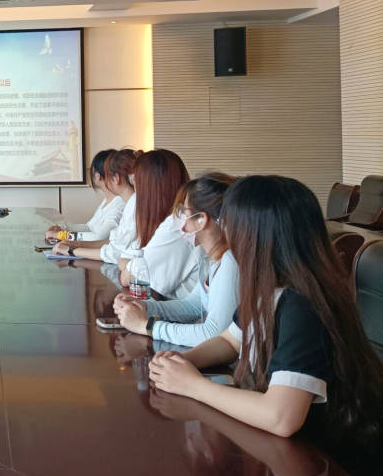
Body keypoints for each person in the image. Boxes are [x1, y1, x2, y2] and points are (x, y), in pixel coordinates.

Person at [149, 175, 383, 442]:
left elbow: (281, 417)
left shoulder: (302, 305)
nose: (226, 236)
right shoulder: (268, 287)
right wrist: (183, 362)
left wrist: (193, 385)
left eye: (230, 225)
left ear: (256, 237)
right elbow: (230, 340)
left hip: (329, 455)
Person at [114, 173, 240, 346]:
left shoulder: (231, 262)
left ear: (201, 219)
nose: (180, 220)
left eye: (184, 212)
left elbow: (214, 334)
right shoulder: (212, 258)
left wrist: (146, 326)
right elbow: (194, 305)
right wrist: (144, 306)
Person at [116, 149, 201, 299]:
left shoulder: (177, 224)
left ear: (149, 188)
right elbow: (124, 257)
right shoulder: (167, 219)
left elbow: (128, 277)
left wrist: (131, 266)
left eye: (135, 180)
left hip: (187, 312)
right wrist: (132, 265)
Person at [56, 148, 139, 263]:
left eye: (107, 175)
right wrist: (72, 241)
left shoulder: (128, 204)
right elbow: (112, 242)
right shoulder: (129, 203)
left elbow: (114, 252)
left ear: (116, 178)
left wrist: (71, 248)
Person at [44, 149, 124, 243]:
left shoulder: (120, 203)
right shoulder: (108, 200)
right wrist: (63, 228)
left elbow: (99, 237)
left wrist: (61, 235)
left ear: (97, 175)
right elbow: (90, 227)